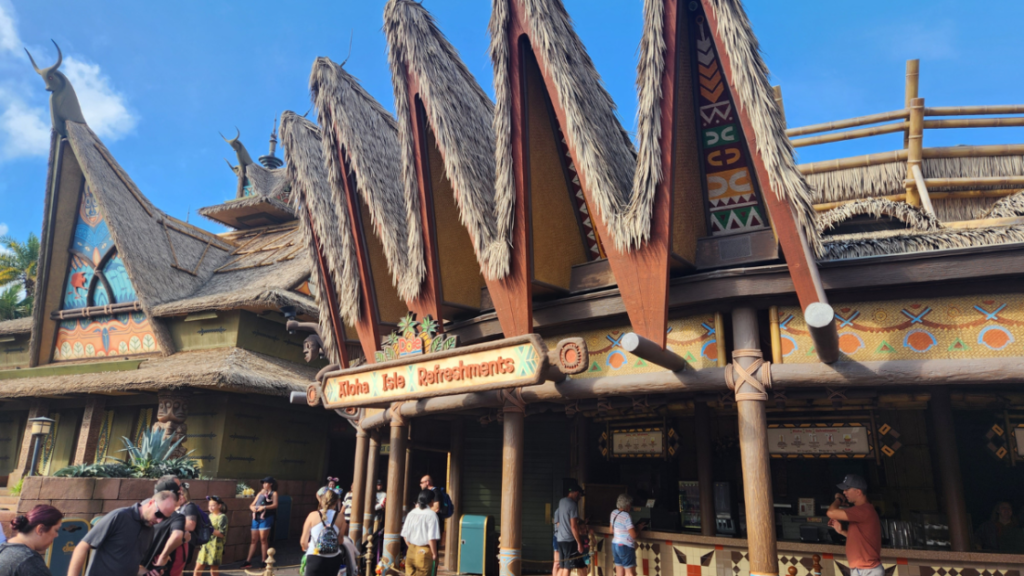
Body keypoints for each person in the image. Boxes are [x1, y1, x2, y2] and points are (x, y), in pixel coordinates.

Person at [68, 491, 179, 576]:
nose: (159, 521)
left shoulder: (150, 531)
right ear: (151, 503)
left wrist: (148, 572)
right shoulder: (119, 516)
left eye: (165, 518)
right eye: (159, 514)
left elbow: (133, 566)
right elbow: (82, 547)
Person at [827, 474, 882, 576]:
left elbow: (831, 512)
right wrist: (842, 531)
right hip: (861, 570)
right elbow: (862, 539)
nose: (844, 492)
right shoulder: (864, 510)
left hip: (868, 570)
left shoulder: (863, 510)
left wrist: (838, 499)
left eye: (847, 489)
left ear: (858, 492)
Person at [0, 505, 63, 576]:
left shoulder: (2, 549)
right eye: (56, 530)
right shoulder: (29, 561)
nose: (56, 535)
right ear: (40, 529)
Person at [300, 490, 346, 576]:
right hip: (333, 558)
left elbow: (303, 542)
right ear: (336, 502)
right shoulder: (340, 517)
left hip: (315, 557)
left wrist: (307, 547)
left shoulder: (312, 515)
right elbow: (340, 541)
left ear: (321, 501)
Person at [401, 490, 440, 576]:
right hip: (424, 552)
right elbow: (431, 538)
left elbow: (404, 535)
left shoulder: (411, 513)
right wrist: (434, 554)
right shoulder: (431, 515)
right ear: (431, 501)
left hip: (410, 550)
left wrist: (411, 546)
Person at [242, 477, 279, 568]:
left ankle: (264, 560)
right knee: (254, 540)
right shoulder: (260, 493)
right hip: (256, 517)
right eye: (263, 483)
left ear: (271, 484)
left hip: (266, 517)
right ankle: (248, 560)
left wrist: (265, 507)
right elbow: (252, 504)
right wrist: (252, 508)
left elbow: (275, 505)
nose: (264, 484)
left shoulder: (273, 493)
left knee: (263, 539)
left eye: (266, 483)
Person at [554, 484, 585, 576]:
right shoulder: (572, 505)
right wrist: (579, 543)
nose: (579, 498)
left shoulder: (561, 501)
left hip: (560, 539)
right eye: (579, 495)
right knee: (567, 568)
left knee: (562, 567)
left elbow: (563, 520)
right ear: (576, 493)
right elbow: (574, 526)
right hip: (569, 540)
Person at [193, 496, 228, 576]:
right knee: (197, 569)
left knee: (213, 570)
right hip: (205, 545)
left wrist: (210, 529)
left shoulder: (222, 517)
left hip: (215, 547)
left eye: (213, 505)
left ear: (219, 505)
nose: (210, 507)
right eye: (209, 505)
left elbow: (222, 534)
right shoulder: (209, 516)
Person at [610, 494, 644, 576]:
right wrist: (639, 528)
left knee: (619, 573)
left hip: (615, 545)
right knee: (630, 573)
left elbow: (611, 530)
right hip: (625, 546)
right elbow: (633, 535)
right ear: (628, 505)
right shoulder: (626, 516)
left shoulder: (613, 513)